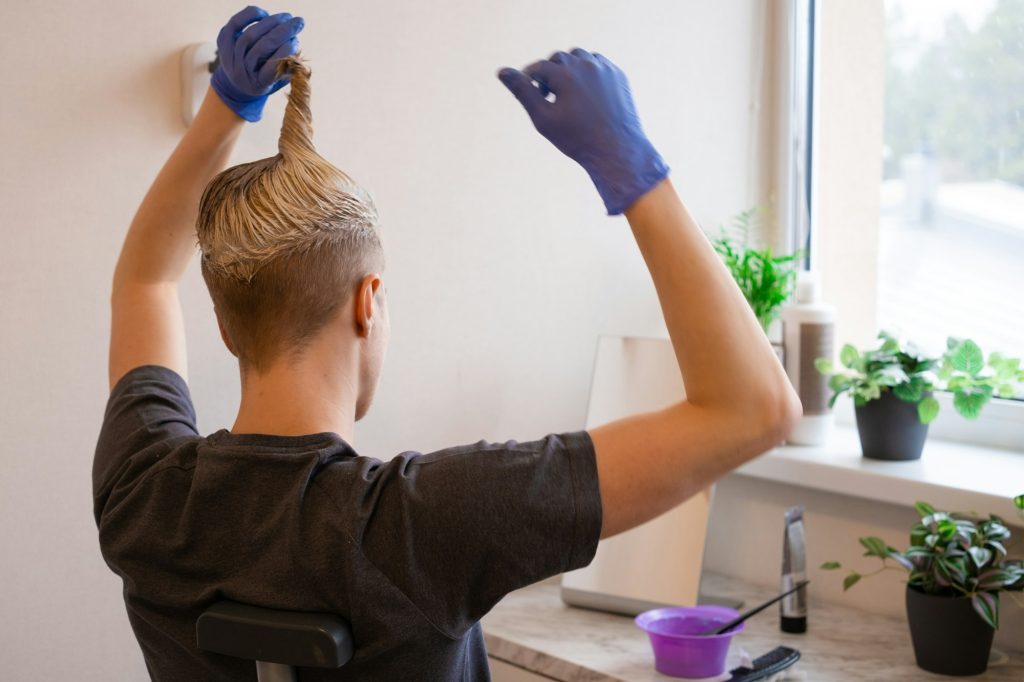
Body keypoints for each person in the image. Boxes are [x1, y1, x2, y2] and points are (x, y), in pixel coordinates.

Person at [93, 6, 801, 681]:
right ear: (369, 304)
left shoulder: (144, 493)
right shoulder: (426, 523)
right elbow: (754, 410)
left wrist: (224, 106)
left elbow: (145, 280)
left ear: (222, 323)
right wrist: (638, 174)